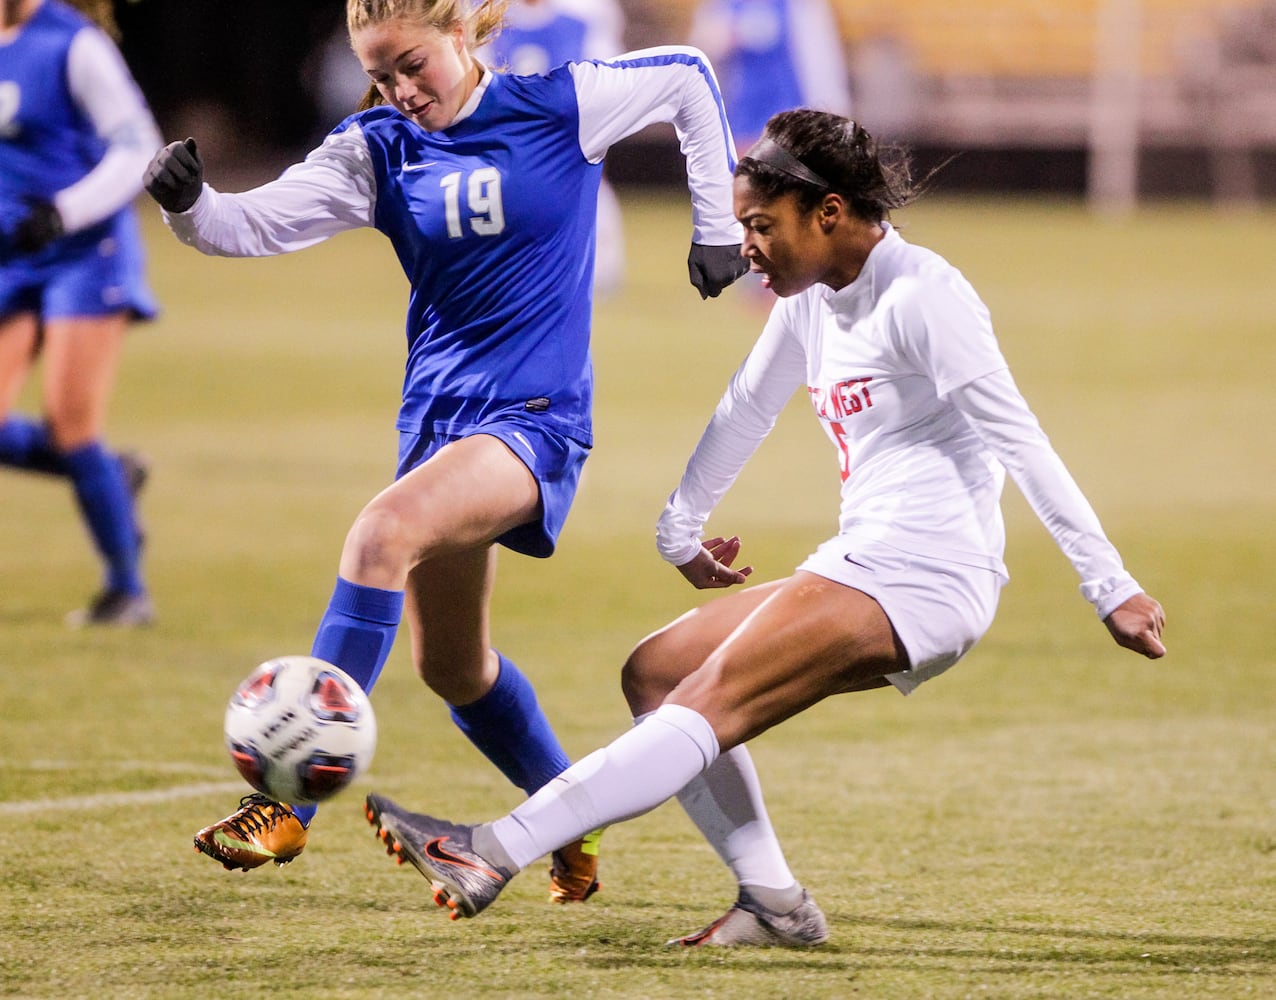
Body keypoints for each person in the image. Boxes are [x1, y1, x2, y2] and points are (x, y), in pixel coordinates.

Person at [360, 109, 1168, 947]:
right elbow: (747, 406)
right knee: (659, 673)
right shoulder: (814, 299)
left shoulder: (927, 296)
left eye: (759, 224)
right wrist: (681, 528)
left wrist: (1110, 584)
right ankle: (774, 902)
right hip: (868, 560)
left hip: (927, 573)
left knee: (708, 700)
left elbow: (1020, 441)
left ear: (827, 212)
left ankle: (493, 849)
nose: (745, 244)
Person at [143, 0, 747, 902]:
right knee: (452, 668)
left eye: (411, 64)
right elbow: (251, 225)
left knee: (380, 537)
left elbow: (690, 79)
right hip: (436, 426)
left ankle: (283, 815)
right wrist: (190, 205)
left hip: (534, 421)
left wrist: (717, 227)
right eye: (378, 74)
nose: (399, 89)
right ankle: (567, 824)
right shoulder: (375, 147)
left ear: (463, 36)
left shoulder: (559, 105)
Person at [0, 0, 160, 626]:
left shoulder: (75, 44)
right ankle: (110, 477)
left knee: (71, 424)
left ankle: (127, 591)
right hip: (15, 257)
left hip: (85, 251)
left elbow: (138, 146)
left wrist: (63, 211)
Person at [480, 0, 626, 292]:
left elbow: (611, 76)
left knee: (588, 189)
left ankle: (597, 263)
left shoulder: (581, 20)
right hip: (513, 138)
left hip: (570, 132)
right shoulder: (490, 21)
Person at [688, 0, 852, 154]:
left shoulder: (801, 5)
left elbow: (821, 56)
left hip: (791, 112)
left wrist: (834, 104)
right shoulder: (726, 4)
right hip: (743, 114)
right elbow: (702, 46)